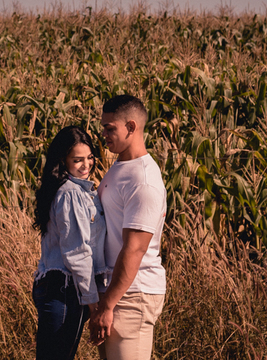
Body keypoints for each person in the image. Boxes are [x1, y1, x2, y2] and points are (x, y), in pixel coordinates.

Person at [89, 95, 167, 360]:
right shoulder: (121, 167)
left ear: (131, 127)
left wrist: (108, 305)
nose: (103, 134)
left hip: (132, 295)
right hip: (116, 293)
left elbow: (135, 248)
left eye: (110, 128)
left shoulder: (143, 180)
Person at [33, 125, 106, 360]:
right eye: (77, 160)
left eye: (90, 157)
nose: (86, 165)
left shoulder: (69, 190)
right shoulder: (71, 193)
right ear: (63, 160)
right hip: (65, 289)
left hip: (56, 287)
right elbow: (77, 253)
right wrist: (93, 303)